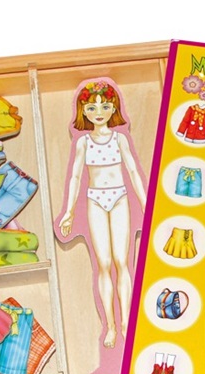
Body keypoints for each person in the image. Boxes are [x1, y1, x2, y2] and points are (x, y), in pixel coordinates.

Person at [56, 80, 146, 349]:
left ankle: (127, 322)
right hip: (94, 200)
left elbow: (133, 171)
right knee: (103, 263)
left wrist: (146, 204)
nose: (98, 112)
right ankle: (110, 325)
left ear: (114, 108)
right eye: (92, 107)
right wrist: (69, 212)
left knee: (122, 262)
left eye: (105, 106)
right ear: (83, 111)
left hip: (119, 198)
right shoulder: (83, 142)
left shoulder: (120, 139)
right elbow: (75, 176)